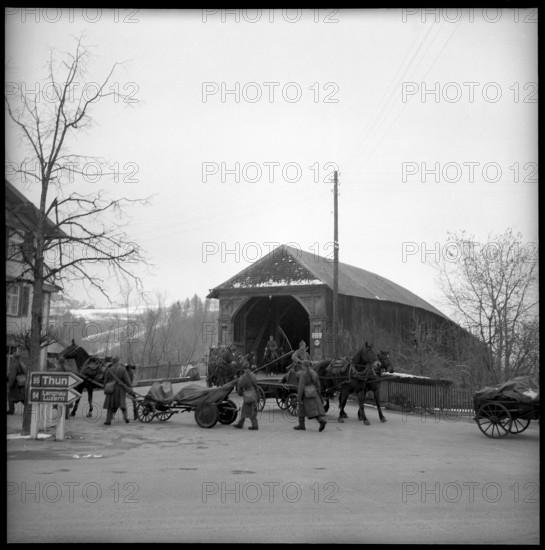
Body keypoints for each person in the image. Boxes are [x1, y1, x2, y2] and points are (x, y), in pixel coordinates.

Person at [294, 360, 327, 432]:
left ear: (303, 366)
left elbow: (301, 386)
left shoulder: (303, 374)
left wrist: (299, 397)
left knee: (301, 408)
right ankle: (320, 420)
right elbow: (318, 384)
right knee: (314, 410)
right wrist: (318, 392)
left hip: (305, 394)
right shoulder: (314, 372)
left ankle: (302, 424)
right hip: (314, 392)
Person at [103, 357, 133, 425]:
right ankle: (126, 418)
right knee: (122, 404)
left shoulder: (109, 370)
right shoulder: (122, 369)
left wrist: (105, 388)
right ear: (118, 362)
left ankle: (108, 421)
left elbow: (105, 381)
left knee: (110, 406)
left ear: (113, 362)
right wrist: (130, 388)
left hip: (111, 389)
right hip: (120, 389)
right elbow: (127, 380)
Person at [234, 362, 260, 430]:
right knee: (251, 409)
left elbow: (241, 385)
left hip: (248, 395)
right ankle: (240, 423)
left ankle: (254, 426)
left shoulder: (244, 376)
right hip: (253, 394)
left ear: (243, 369)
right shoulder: (253, 375)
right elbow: (256, 384)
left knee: (246, 410)